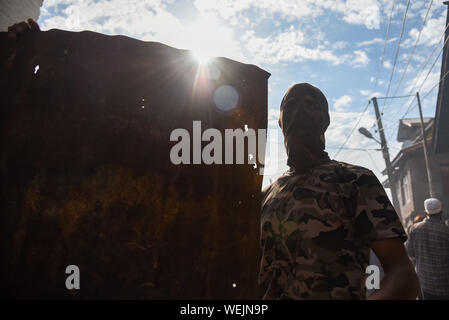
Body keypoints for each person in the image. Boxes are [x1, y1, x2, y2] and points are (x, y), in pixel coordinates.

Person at [259, 83, 418, 299]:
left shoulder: (355, 180)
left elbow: (402, 276)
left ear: (325, 120)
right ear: (280, 121)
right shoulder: (266, 195)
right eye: (291, 105)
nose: (299, 112)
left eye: (310, 104)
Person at [406, 198, 449, 300]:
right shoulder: (446, 231)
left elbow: (410, 254)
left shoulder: (414, 229)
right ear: (441, 212)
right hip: (445, 285)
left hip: (425, 285)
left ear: (426, 213)